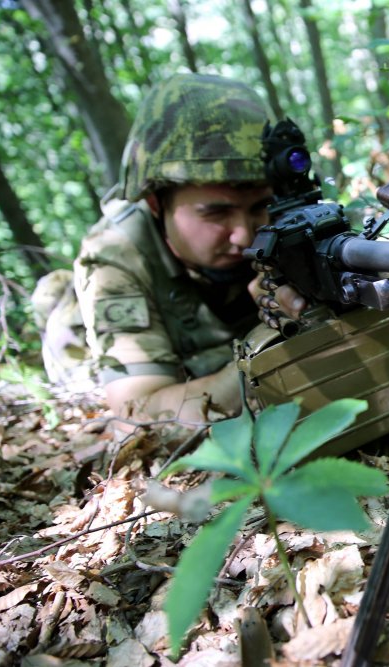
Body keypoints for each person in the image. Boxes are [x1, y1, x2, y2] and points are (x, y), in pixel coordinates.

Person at [35, 73, 304, 424]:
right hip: (90, 342)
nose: (243, 235)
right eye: (216, 212)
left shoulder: (290, 219)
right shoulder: (115, 257)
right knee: (63, 329)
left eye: (258, 207)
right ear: (155, 204)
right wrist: (267, 349)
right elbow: (140, 414)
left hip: (212, 335)